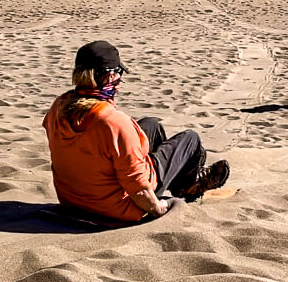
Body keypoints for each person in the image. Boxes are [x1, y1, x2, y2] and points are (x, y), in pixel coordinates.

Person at [43, 41, 229, 222]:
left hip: (72, 200)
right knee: (190, 139)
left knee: (151, 125)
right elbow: (137, 188)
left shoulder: (58, 107)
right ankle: (188, 187)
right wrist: (158, 208)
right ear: (108, 76)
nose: (119, 81)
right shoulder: (112, 122)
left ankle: (180, 179)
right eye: (118, 73)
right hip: (117, 207)